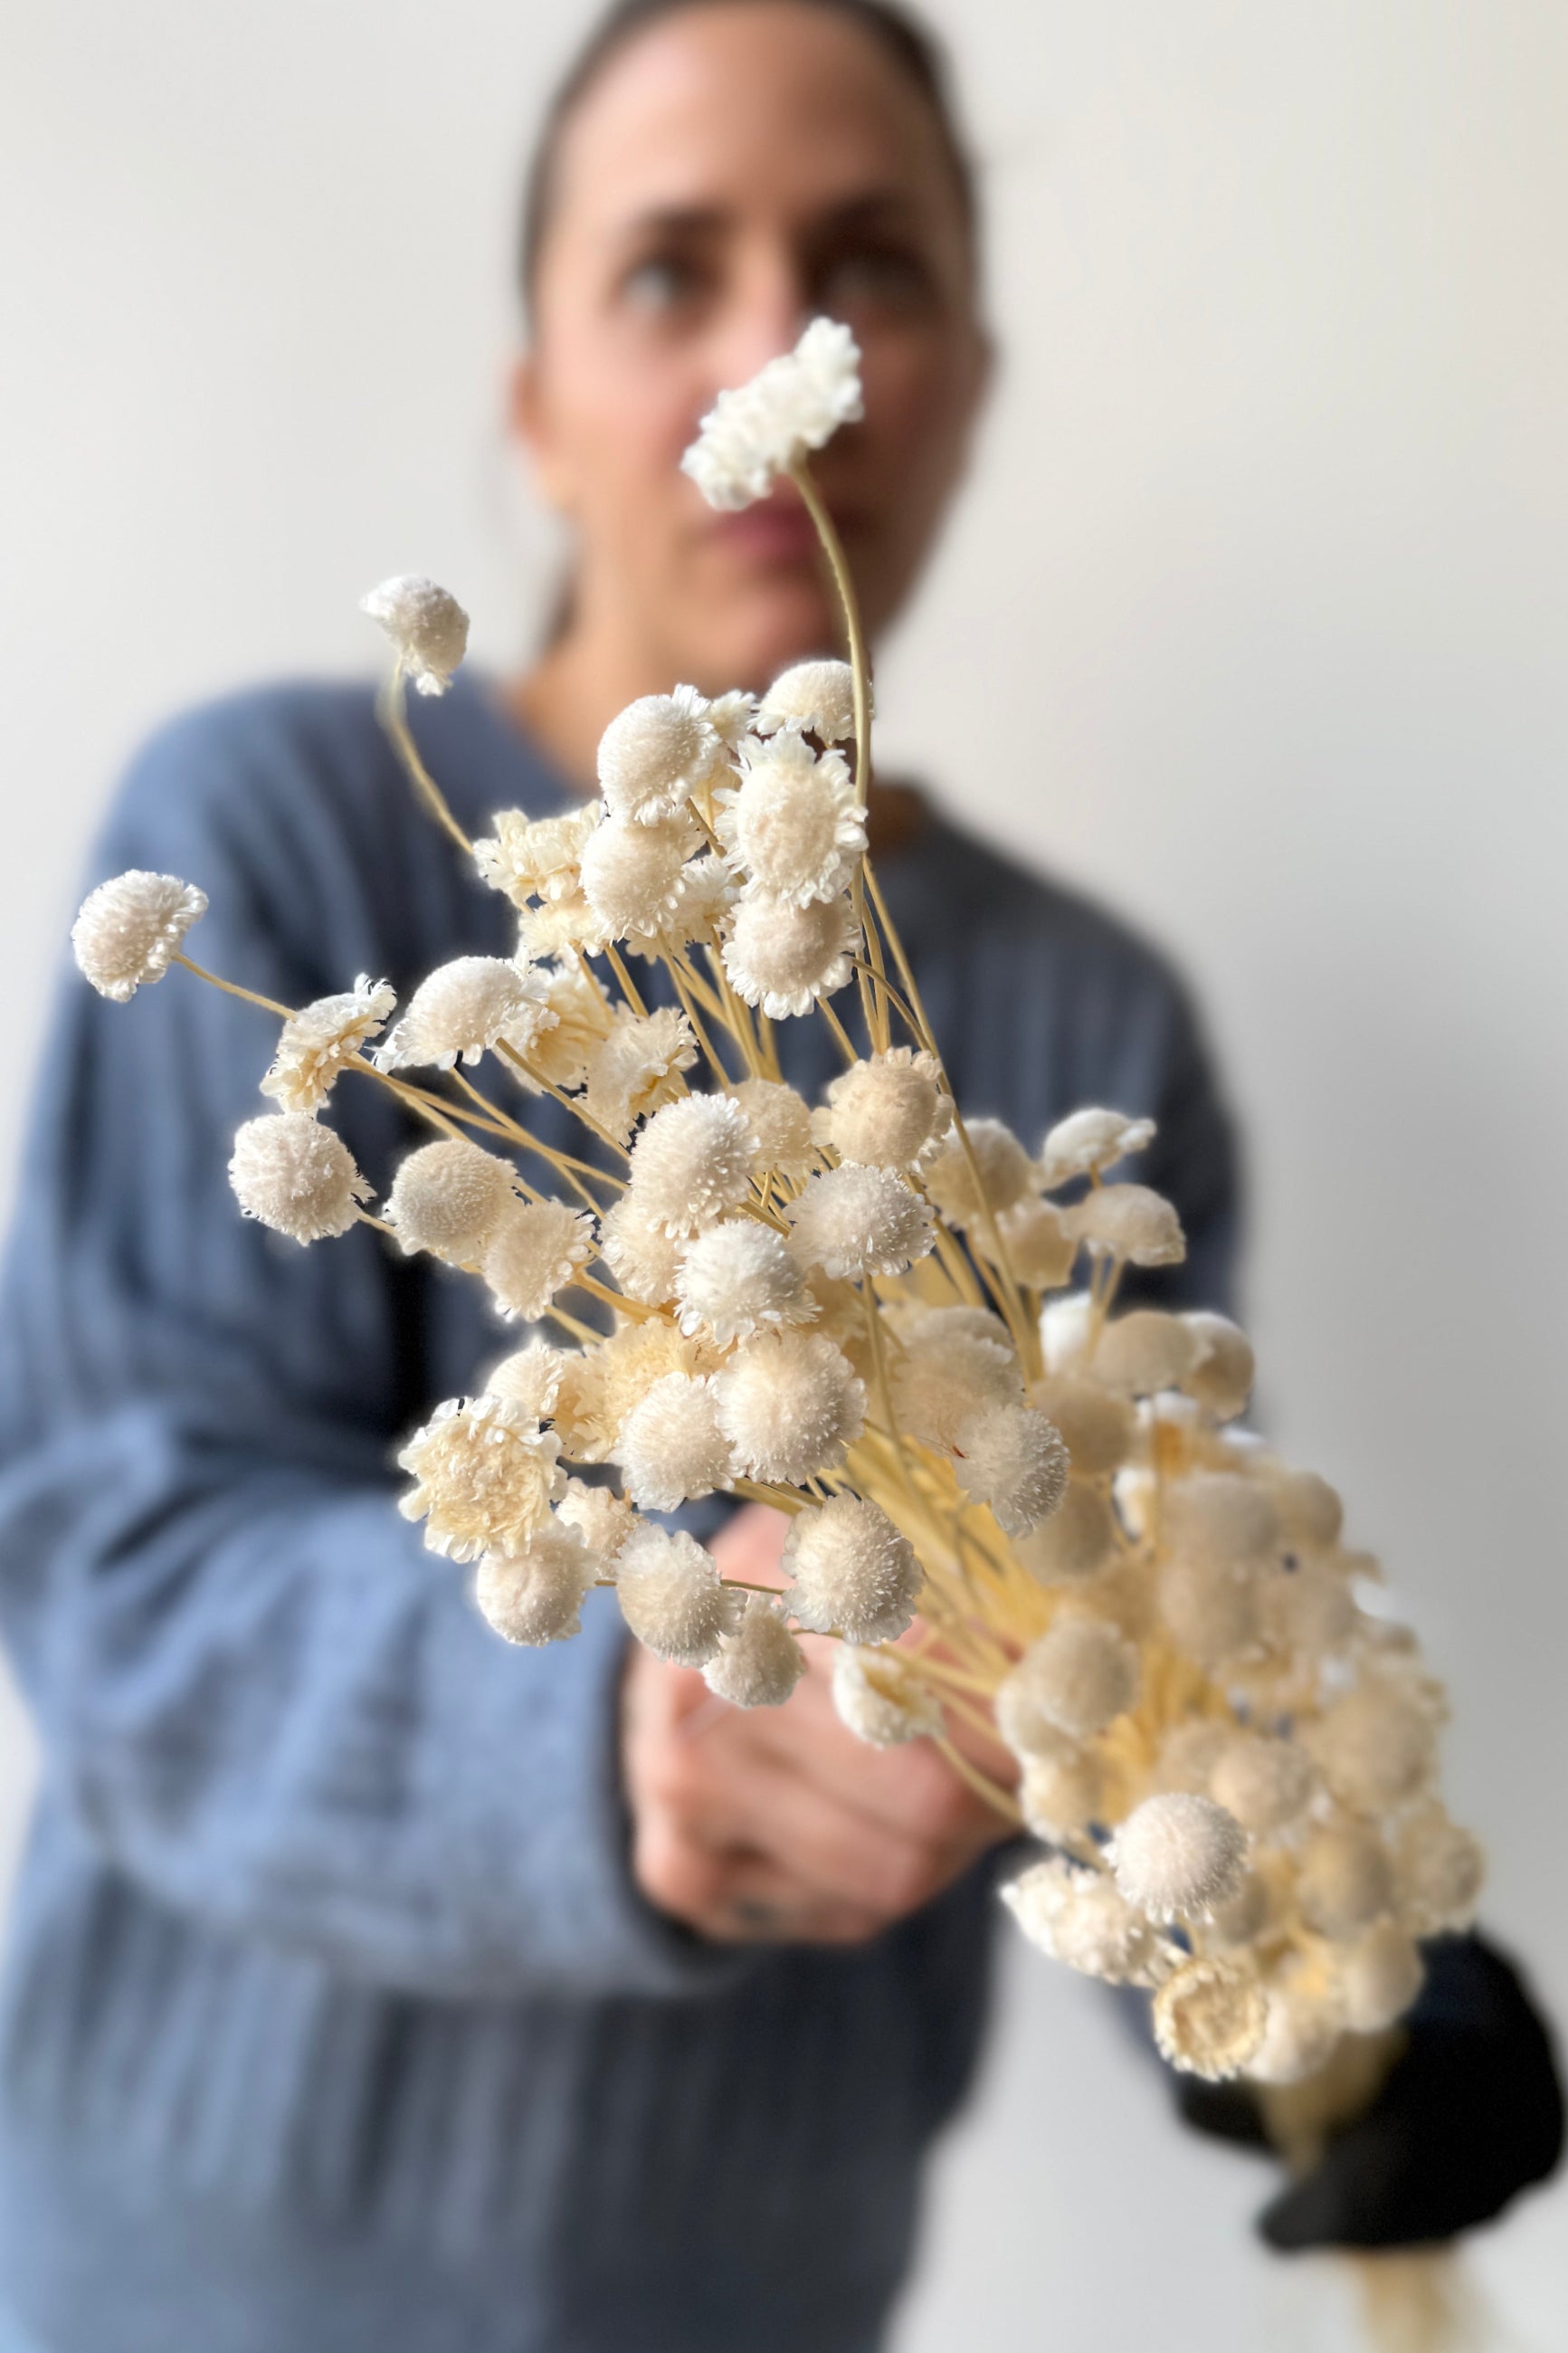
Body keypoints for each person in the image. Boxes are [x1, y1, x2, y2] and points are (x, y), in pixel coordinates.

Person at [0, 4, 1556, 2349]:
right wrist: (610, 1730)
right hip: (183, 2278)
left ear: (962, 377)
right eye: (665, 271)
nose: (776, 341)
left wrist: (1331, 1963)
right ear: (531, 396)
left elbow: (1091, 1680)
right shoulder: (271, 846)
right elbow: (121, 1571)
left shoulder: (1091, 1035)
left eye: (868, 270)